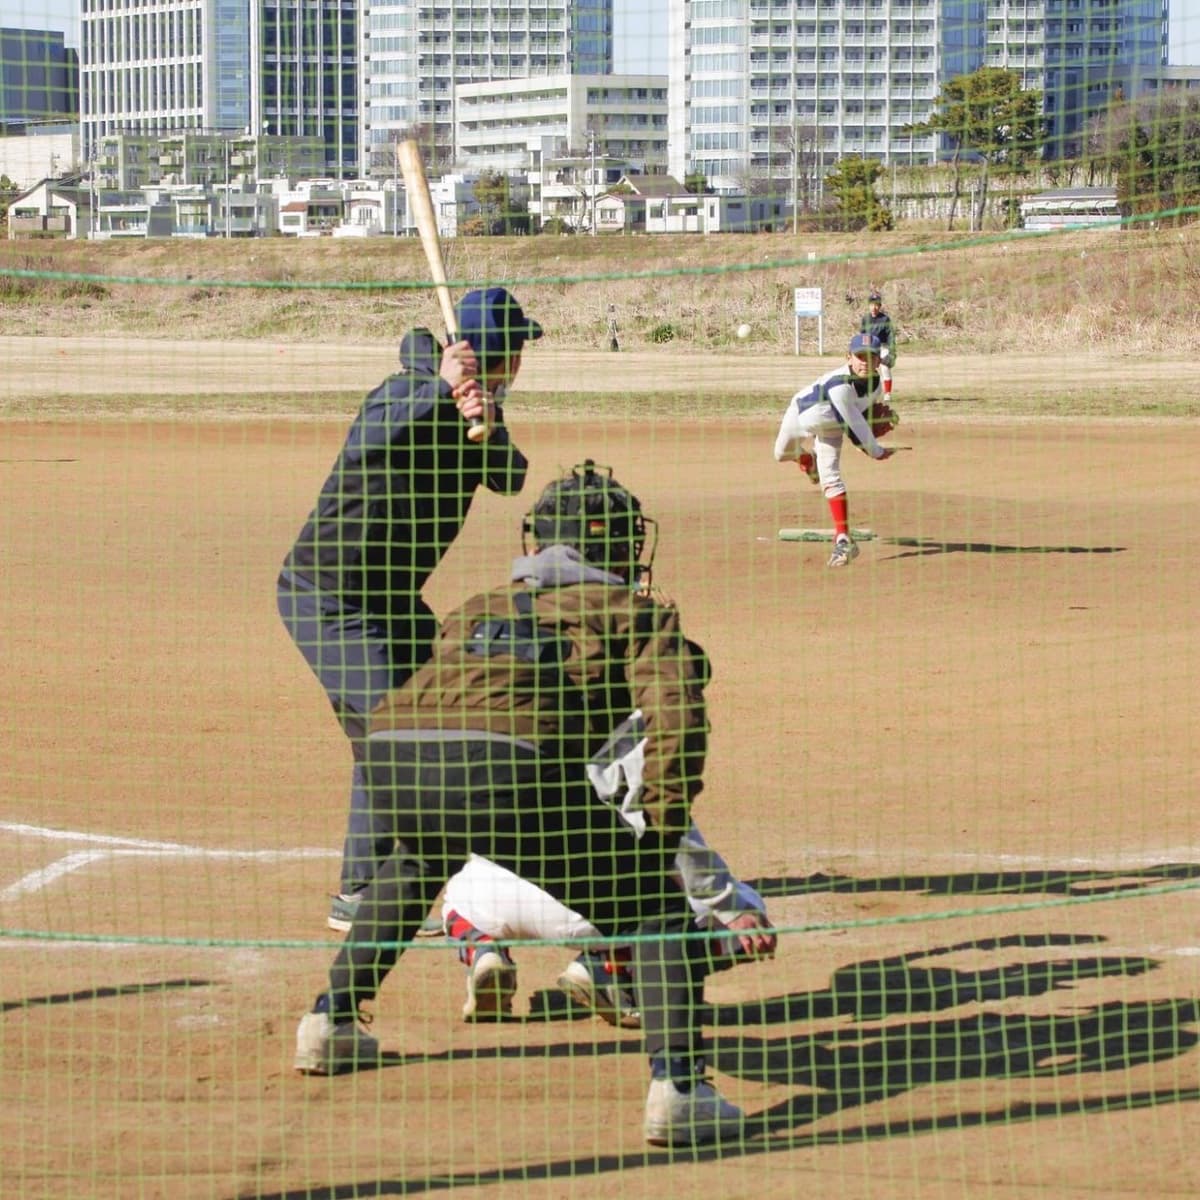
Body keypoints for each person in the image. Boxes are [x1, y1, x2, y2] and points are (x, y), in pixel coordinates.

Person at [293, 461, 775, 1148]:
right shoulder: (636, 613)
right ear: (620, 550)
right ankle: (680, 1088)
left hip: (390, 761)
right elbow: (676, 718)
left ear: (537, 543)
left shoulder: (479, 607)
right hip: (504, 768)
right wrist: (664, 828)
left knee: (419, 859)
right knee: (650, 907)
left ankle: (328, 1021)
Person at [277, 287, 540, 933]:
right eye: (520, 348)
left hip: (392, 601)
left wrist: (485, 413)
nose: (525, 361)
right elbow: (372, 434)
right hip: (330, 598)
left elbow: (510, 475)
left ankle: (442, 864)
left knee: (431, 711)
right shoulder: (404, 390)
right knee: (393, 735)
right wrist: (440, 391)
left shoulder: (473, 406)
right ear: (498, 353)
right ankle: (363, 892)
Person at [438, 706, 772, 1027]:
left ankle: (482, 950)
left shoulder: (518, 710)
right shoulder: (645, 730)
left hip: (499, 892)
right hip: (602, 912)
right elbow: (677, 839)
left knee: (456, 897)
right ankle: (611, 967)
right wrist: (731, 907)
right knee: (743, 908)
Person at [773, 331, 895, 568]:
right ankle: (808, 461)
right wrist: (874, 450)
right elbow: (853, 424)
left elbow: (859, 418)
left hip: (832, 429)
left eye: (872, 357)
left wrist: (871, 429)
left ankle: (843, 539)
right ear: (848, 357)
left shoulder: (877, 385)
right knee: (780, 454)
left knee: (831, 479)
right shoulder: (840, 386)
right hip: (801, 414)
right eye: (860, 356)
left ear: (879, 361)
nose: (866, 362)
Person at [859, 288, 897, 398]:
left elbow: (891, 337)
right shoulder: (865, 319)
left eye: (876, 305)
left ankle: (887, 393)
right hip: (871, 347)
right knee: (868, 370)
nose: (874, 307)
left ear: (879, 306)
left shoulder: (885, 319)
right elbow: (862, 335)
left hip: (883, 347)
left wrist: (891, 352)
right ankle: (868, 393)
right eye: (871, 305)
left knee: (885, 368)